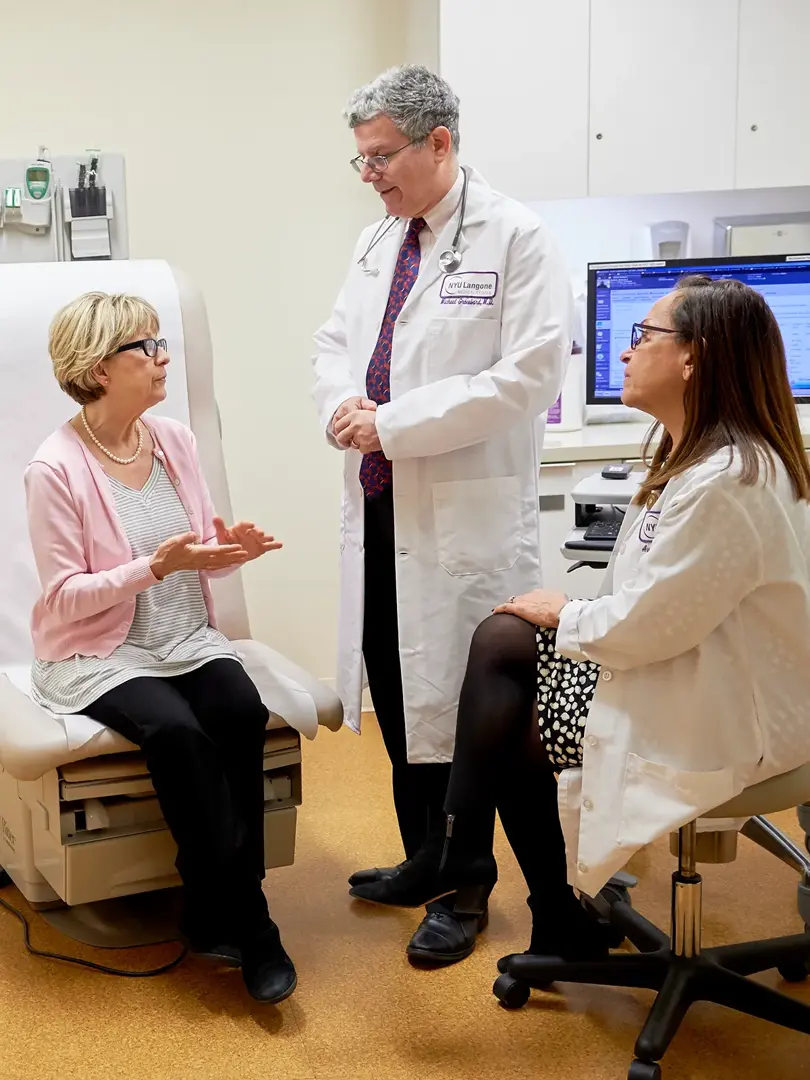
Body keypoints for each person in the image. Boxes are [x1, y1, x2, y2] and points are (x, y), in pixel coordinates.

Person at [364, 275, 810, 965]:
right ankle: (503, 882)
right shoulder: (696, 459)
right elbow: (655, 605)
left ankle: (467, 860)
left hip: (719, 714)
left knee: (510, 696)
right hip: (688, 670)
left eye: (644, 336)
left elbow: (646, 625)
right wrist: (566, 616)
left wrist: (567, 611)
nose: (625, 354)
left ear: (693, 357)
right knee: (506, 644)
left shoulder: (728, 479)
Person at [312, 64, 574, 965]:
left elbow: (528, 378)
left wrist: (393, 423)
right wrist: (344, 408)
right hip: (381, 503)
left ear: (440, 143)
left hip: (463, 516)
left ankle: (468, 892)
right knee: (396, 687)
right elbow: (335, 344)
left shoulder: (518, 238)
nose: (371, 175)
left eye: (382, 157)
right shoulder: (376, 241)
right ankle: (425, 855)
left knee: (469, 710)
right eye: (361, 161)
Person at [25, 292, 296, 1004]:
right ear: (98, 367)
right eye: (144, 347)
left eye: (161, 342)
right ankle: (254, 922)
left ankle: (210, 905)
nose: (162, 357)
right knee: (176, 731)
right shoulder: (53, 467)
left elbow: (195, 554)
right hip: (97, 652)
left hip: (183, 636)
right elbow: (64, 597)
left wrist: (229, 552)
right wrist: (154, 568)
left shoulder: (172, 439)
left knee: (240, 711)